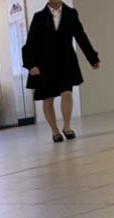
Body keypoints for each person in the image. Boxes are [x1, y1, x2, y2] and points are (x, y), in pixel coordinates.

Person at [22, 0, 100, 142]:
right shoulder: (39, 17)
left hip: (66, 61)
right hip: (44, 64)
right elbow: (31, 42)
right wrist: (30, 64)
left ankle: (67, 126)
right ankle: (55, 131)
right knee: (48, 100)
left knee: (67, 93)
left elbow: (81, 36)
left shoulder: (71, 14)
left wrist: (92, 58)